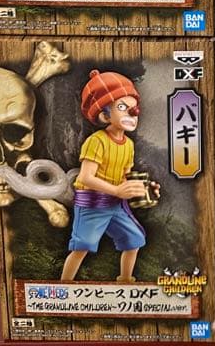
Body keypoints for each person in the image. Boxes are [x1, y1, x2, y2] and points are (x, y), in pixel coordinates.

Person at [61, 69, 157, 283]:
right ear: (105, 115)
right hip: (92, 204)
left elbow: (125, 176)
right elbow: (86, 177)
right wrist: (116, 190)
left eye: (133, 107)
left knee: (134, 240)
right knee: (82, 247)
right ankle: (64, 286)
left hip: (115, 205)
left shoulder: (129, 145)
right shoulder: (97, 141)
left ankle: (125, 279)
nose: (132, 112)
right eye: (122, 107)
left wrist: (145, 189)